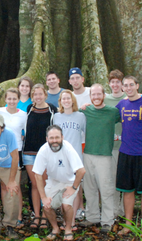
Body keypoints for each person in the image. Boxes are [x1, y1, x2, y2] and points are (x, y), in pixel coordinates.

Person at [116, 76, 142, 235]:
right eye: (125, 85)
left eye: (131, 85)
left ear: (137, 85)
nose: (128, 87)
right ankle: (128, 225)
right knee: (128, 190)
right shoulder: (121, 105)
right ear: (123, 88)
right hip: (126, 154)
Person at [79, 83, 120, 233]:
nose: (96, 97)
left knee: (106, 188)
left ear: (104, 95)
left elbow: (129, 115)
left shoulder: (112, 112)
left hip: (104, 155)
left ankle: (107, 220)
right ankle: (92, 216)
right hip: (87, 154)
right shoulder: (85, 111)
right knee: (89, 188)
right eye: (93, 95)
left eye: (98, 94)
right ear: (90, 97)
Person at [33, 125, 85, 241]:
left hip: (70, 181)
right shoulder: (43, 150)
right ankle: (55, 228)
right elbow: (37, 174)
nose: (54, 141)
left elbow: (81, 171)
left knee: (66, 206)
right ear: (47, 139)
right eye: (51, 138)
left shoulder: (68, 148)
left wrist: (73, 187)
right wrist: (43, 197)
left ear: (62, 137)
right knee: (46, 206)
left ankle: (68, 229)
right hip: (54, 181)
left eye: (57, 137)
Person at [23, 83, 58, 228]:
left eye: (40, 94)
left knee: (44, 185)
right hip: (29, 153)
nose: (38, 97)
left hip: (45, 153)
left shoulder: (52, 110)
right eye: (35, 94)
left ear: (45, 95)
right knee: (35, 185)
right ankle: (36, 216)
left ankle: (45, 216)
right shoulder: (29, 109)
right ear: (32, 97)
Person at [54, 90, 86, 229]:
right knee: (62, 188)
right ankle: (65, 218)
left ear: (72, 100)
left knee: (75, 188)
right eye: (63, 99)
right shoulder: (56, 117)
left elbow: (85, 134)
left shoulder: (81, 116)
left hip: (76, 157)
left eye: (68, 98)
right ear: (60, 101)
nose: (66, 101)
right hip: (61, 157)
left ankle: (72, 221)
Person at [0, 88, 27, 228]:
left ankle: (18, 216)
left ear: (18, 100)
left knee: (15, 186)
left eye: (15, 99)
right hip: (1, 152)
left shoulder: (23, 115)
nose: (12, 101)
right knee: (3, 186)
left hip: (16, 152)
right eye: (9, 99)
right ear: (5, 99)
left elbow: (25, 133)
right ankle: (7, 215)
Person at [104, 69, 126, 218]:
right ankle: (113, 209)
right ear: (109, 83)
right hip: (111, 146)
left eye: (118, 82)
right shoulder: (106, 99)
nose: (115, 84)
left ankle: (124, 210)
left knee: (125, 179)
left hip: (127, 145)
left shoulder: (128, 98)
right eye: (112, 82)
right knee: (112, 179)